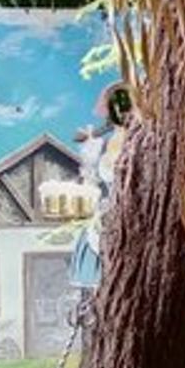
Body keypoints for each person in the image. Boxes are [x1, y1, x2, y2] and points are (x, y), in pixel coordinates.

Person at [68, 81, 131, 296]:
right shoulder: (104, 142)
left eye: (125, 104)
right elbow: (92, 182)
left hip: (131, 214)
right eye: (114, 105)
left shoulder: (139, 142)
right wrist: (90, 155)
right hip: (105, 213)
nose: (120, 110)